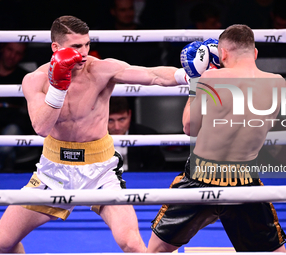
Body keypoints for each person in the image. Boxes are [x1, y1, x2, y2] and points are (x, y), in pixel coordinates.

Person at [0, 15, 188, 253]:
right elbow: (41, 128)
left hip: (100, 169)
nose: (84, 53)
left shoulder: (101, 70)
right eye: (76, 46)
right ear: (55, 48)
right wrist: (58, 88)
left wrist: (187, 74)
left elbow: (153, 76)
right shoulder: (35, 80)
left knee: (130, 242)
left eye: (87, 44)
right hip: (53, 170)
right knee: (3, 242)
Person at [147, 25, 286, 252]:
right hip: (244, 179)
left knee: (156, 249)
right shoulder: (277, 83)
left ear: (222, 54)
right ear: (255, 53)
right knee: (273, 252)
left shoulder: (211, 78)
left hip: (201, 175)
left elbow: (189, 127)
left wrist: (197, 81)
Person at [0, 43, 36, 171]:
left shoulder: (26, 78)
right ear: (2, 48)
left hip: (17, 131)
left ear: (22, 56)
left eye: (18, 53)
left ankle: (5, 180)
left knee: (9, 137)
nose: (12, 56)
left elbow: (31, 113)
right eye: (10, 50)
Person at [108, 97, 165, 171]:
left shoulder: (147, 136)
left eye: (122, 119)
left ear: (130, 115)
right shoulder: (93, 138)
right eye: (110, 120)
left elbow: (156, 170)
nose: (117, 127)